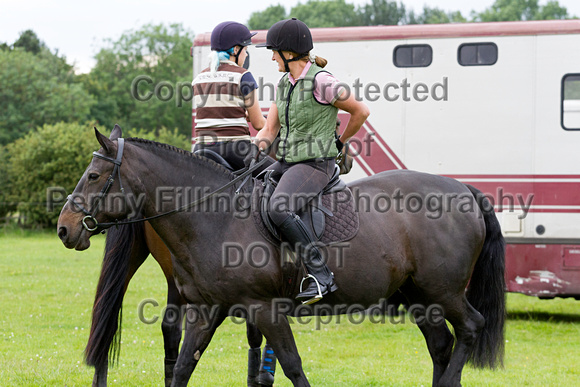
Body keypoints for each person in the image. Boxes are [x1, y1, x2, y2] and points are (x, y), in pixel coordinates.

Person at [250, 18, 370, 304]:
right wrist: (250, 159)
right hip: (290, 162)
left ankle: (321, 276)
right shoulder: (284, 83)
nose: (271, 57)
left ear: (288, 54)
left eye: (274, 52)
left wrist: (339, 144)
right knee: (251, 186)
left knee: (279, 208)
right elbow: (269, 130)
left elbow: (361, 111)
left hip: (316, 164)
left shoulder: (322, 81)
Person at [192, 21, 266, 170]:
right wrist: (276, 127)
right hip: (235, 150)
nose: (245, 55)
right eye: (245, 50)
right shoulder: (244, 76)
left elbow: (215, 112)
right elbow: (258, 124)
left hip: (201, 149)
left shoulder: (199, 78)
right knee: (277, 174)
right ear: (235, 50)